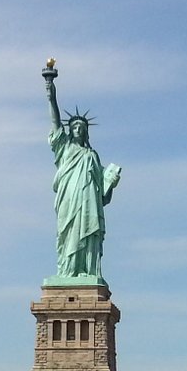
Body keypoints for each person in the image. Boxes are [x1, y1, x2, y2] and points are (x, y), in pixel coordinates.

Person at [44, 64, 120, 282]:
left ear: (85, 131)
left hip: (88, 202)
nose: (77, 129)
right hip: (69, 199)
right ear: (70, 130)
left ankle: (88, 271)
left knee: (88, 234)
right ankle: (67, 272)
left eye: (81, 127)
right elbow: (55, 121)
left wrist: (110, 182)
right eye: (74, 126)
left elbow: (101, 191)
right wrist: (51, 92)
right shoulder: (64, 148)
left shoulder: (92, 155)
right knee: (67, 234)